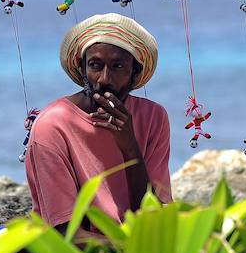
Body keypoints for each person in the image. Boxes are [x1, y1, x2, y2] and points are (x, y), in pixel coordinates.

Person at [25, 13, 172, 235]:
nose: (104, 79)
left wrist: (129, 145)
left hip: (139, 243)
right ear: (82, 68)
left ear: (135, 72)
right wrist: (132, 248)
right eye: (95, 65)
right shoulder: (52, 126)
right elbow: (65, 233)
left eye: (117, 66)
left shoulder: (154, 117)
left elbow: (154, 214)